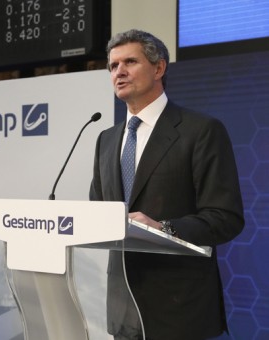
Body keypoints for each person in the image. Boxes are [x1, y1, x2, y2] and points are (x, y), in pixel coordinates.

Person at [89, 29, 244, 339]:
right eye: (113, 65)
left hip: (179, 310)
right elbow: (99, 212)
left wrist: (163, 227)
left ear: (158, 68)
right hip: (122, 310)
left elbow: (226, 218)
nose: (119, 72)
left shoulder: (201, 131)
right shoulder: (106, 139)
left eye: (130, 62)